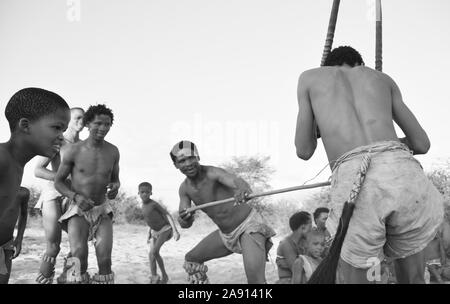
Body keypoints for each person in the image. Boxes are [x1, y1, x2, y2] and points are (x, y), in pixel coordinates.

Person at [294, 46, 443, 283]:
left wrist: (318, 128)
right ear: (358, 64)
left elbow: (304, 150)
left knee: (361, 279)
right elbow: (421, 143)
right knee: (414, 279)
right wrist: (382, 144)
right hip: (403, 174)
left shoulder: (309, 78)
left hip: (357, 185)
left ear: (329, 66)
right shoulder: (382, 79)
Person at [172, 140, 275, 284]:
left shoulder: (213, 173)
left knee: (255, 281)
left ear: (198, 157)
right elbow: (185, 223)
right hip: (226, 235)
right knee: (191, 259)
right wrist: (184, 219)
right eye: (182, 161)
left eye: (191, 158)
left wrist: (241, 189)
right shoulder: (184, 189)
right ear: (176, 165)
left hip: (249, 226)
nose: (188, 163)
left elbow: (237, 181)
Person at [0, 87, 70, 284]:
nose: (62, 136)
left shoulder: (15, 164)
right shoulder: (2, 158)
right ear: (25, 125)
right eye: (57, 127)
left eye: (64, 130)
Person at [54, 104, 120, 284]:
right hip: (78, 209)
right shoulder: (72, 150)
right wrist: (75, 197)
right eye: (98, 123)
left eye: (107, 124)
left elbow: (115, 179)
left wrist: (115, 186)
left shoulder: (113, 151)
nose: (103, 128)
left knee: (105, 260)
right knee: (78, 258)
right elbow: (58, 182)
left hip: (102, 209)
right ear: (88, 124)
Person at [34, 107, 85, 284]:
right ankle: (44, 280)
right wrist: (60, 178)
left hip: (74, 197)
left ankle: (68, 279)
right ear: (68, 120)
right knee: (53, 247)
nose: (81, 122)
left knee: (78, 246)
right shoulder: (57, 141)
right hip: (53, 194)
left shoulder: (85, 146)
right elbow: (38, 170)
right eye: (77, 118)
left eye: (84, 119)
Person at [138, 182, 180, 284]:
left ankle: (165, 276)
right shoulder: (142, 205)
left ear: (151, 193)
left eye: (147, 192)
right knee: (151, 255)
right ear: (138, 193)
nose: (144, 194)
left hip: (165, 229)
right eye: (142, 192)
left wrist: (175, 231)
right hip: (154, 232)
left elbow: (168, 215)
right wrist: (148, 234)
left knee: (155, 251)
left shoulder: (154, 204)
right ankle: (154, 277)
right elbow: (149, 220)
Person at [275, 211, 311, 283]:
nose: (312, 227)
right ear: (303, 227)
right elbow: (298, 270)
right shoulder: (286, 244)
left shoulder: (303, 241)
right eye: (310, 224)